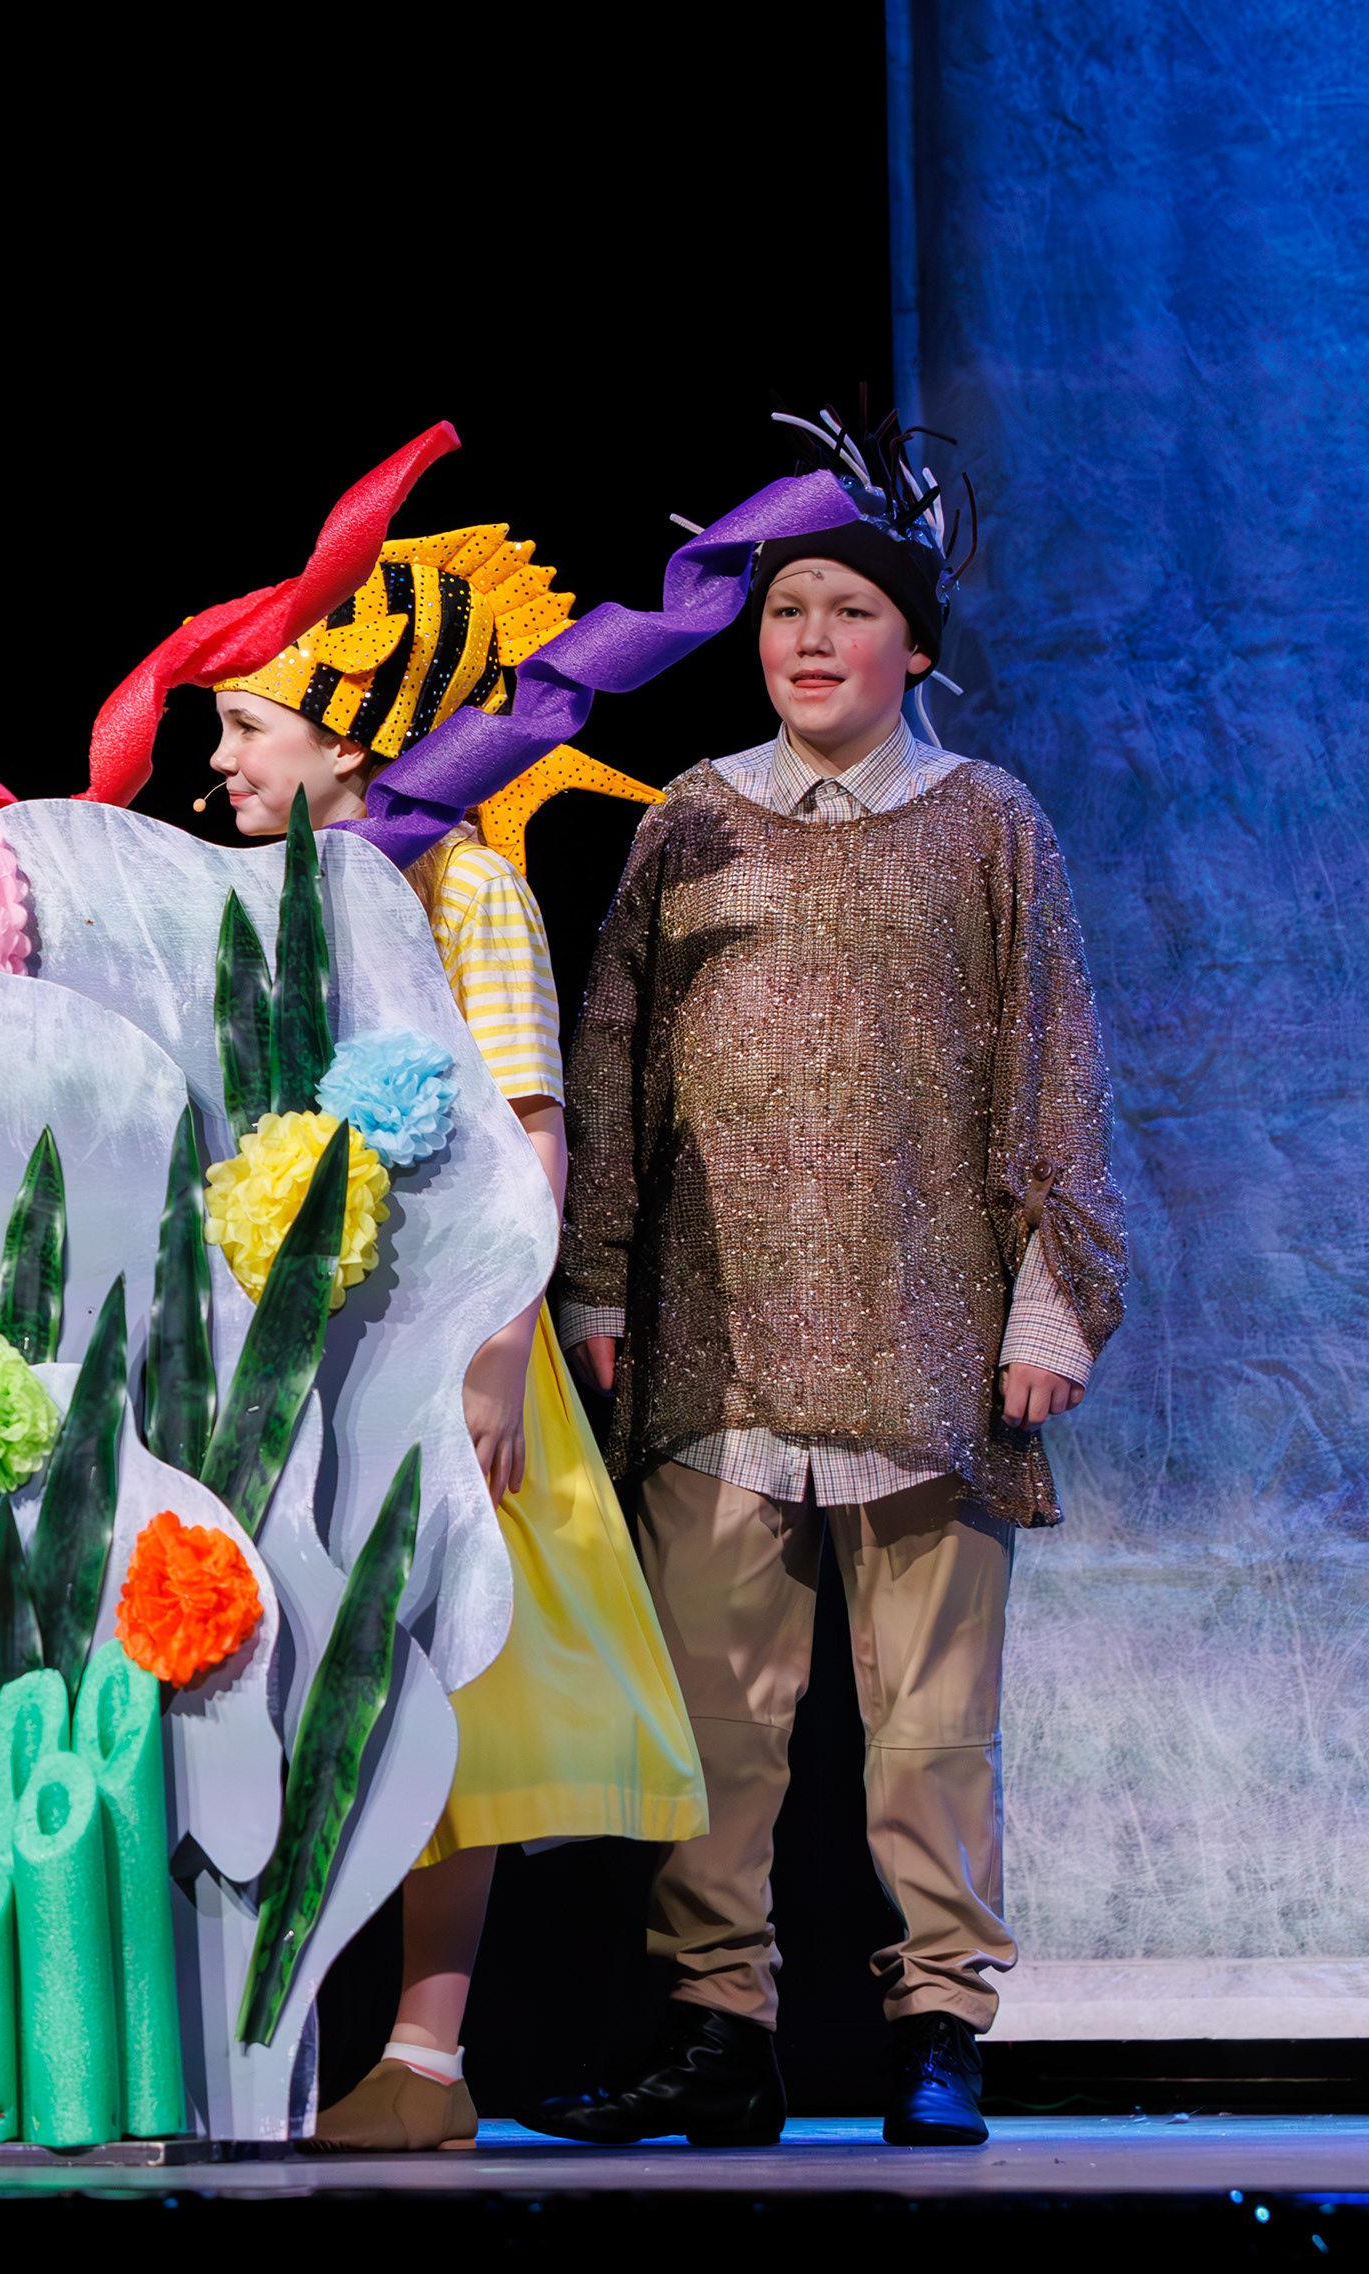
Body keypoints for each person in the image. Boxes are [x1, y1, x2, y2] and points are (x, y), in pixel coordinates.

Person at [527, 418, 1124, 2150]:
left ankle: (940, 2019)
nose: (808, 636)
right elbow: (613, 1050)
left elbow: (1055, 1059)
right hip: (717, 1332)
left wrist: (1050, 1298)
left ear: (913, 647)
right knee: (717, 1717)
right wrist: (597, 1281)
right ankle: (719, 2032)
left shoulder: (986, 823)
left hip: (927, 1329)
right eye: (786, 606)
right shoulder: (692, 820)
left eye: (849, 610)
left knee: (931, 1722)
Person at [189, 522, 709, 2151]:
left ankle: (425, 2053)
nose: (220, 760)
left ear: (351, 740)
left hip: (442, 1332)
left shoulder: (466, 884)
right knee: (289, 1676)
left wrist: (493, 1355)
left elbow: (529, 1133)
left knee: (441, 1676)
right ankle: (263, 2039)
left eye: (248, 726)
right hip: (298, 1344)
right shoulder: (264, 889)